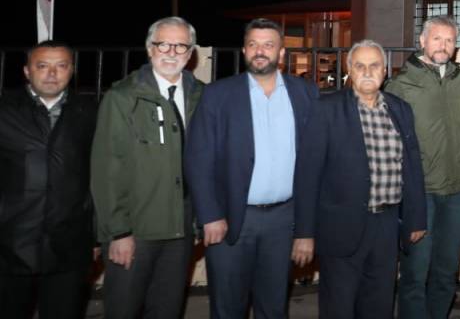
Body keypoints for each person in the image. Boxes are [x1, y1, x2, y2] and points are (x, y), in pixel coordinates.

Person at [185, 18, 318, 319]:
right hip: (230, 219)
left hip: (283, 221)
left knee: (273, 307)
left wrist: (307, 229)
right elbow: (198, 159)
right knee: (227, 307)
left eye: (268, 45)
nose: (261, 51)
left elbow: (314, 165)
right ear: (244, 50)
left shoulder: (305, 94)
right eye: (254, 44)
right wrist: (210, 216)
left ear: (282, 53)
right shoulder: (217, 95)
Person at [292, 40, 428, 317]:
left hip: (387, 226)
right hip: (340, 227)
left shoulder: (400, 109)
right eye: (360, 66)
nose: (368, 71)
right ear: (349, 70)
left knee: (378, 305)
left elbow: (412, 167)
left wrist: (416, 217)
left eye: (374, 65)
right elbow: (307, 174)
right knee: (338, 307)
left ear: (386, 70)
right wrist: (304, 232)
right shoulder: (326, 109)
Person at [91, 16, 204, 319]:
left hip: (181, 229)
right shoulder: (122, 98)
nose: (171, 52)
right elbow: (106, 170)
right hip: (135, 231)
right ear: (149, 49)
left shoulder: (201, 96)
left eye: (181, 45)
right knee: (123, 309)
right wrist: (118, 232)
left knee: (167, 310)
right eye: (163, 44)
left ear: (191, 53)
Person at [0, 41, 97, 319]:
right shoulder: (5, 110)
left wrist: (97, 234)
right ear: (27, 71)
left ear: (72, 71)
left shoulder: (90, 112)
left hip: (69, 246)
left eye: (61, 66)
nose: (52, 74)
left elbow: (100, 174)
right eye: (42, 66)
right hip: (10, 245)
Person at [386, 15, 460, 319]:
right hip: (419, 193)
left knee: (447, 272)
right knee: (414, 274)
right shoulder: (400, 84)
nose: (443, 45)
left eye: (449, 40)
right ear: (422, 41)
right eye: (436, 38)